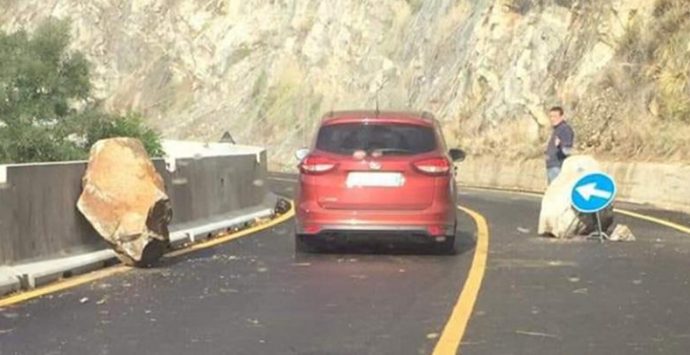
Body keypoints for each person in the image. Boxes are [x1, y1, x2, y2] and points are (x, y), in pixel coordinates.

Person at [545, 106, 574, 184]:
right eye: (551, 116)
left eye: (555, 116)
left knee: (556, 193)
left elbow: (567, 150)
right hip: (553, 166)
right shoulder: (557, 129)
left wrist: (559, 145)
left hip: (558, 166)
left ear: (562, 117)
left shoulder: (565, 129)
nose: (552, 119)